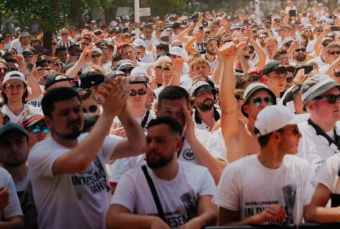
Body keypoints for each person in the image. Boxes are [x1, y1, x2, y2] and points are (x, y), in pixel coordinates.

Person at [29, 80, 146, 229]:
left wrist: (122, 111)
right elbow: (79, 162)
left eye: (77, 110)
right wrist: (109, 113)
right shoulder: (41, 152)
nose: (73, 117)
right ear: (49, 122)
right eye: (64, 113)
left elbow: (139, 145)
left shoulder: (89, 141)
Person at [107, 117, 217, 229]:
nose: (152, 146)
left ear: (178, 145)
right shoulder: (131, 179)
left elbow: (211, 213)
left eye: (160, 140)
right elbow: (113, 219)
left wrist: (196, 223)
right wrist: (151, 222)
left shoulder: (200, 174)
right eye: (148, 140)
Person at [215, 105, 316, 226]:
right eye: (295, 130)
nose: (300, 135)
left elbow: (312, 216)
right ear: (276, 136)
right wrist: (253, 220)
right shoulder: (235, 172)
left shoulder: (302, 168)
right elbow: (222, 226)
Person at [297, 74, 340, 169]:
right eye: (331, 99)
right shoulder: (296, 139)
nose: (338, 103)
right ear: (311, 106)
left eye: (339, 97)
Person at [0, 123, 29, 229]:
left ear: (28, 145)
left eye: (19, 142)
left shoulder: (42, 179)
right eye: (6, 144)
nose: (14, 149)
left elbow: (17, 223)